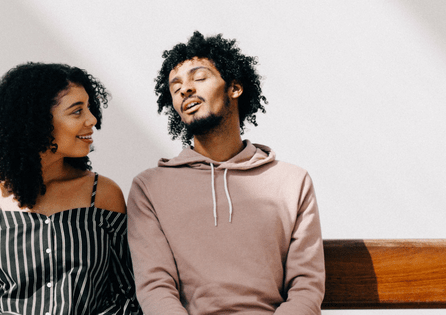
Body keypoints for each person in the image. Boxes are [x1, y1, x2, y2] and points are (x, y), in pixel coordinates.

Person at [127, 31, 325, 314]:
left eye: (199, 78)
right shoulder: (149, 187)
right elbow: (155, 288)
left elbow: (306, 287)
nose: (185, 90)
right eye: (176, 86)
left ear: (234, 87)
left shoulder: (292, 182)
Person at [0, 63, 141, 315]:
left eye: (89, 108)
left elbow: (126, 296)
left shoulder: (103, 194)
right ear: (36, 122)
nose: (92, 120)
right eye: (76, 111)